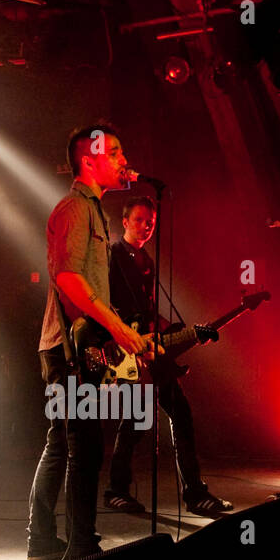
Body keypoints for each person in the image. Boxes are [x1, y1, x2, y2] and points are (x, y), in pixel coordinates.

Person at [26, 123, 157, 560]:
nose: (124, 160)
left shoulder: (95, 212)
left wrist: (120, 329)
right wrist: (117, 329)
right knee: (82, 446)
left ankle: (42, 540)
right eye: (115, 152)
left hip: (72, 346)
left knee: (63, 444)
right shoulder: (74, 209)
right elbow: (67, 278)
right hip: (66, 347)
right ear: (89, 160)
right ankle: (81, 547)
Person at [103, 197, 232, 517]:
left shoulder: (146, 260)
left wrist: (186, 333)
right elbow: (105, 303)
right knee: (136, 421)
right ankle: (117, 491)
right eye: (140, 220)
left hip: (150, 349)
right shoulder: (114, 256)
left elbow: (148, 312)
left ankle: (193, 493)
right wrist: (122, 340)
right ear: (125, 222)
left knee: (177, 414)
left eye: (151, 221)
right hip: (128, 349)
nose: (146, 226)